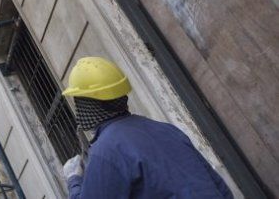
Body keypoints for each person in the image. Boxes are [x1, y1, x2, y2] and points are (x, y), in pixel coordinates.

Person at [61, 56, 232, 198]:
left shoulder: (106, 151)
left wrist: (74, 178)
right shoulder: (167, 130)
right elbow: (220, 188)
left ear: (86, 104)